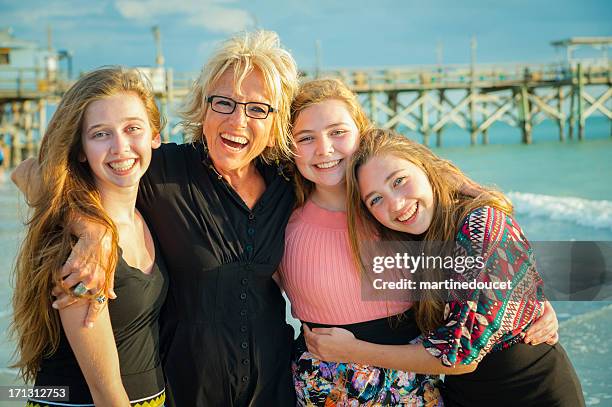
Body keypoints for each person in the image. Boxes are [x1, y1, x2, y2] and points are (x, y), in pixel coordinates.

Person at [13, 30, 299, 406]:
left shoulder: (289, 183)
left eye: (257, 108)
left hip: (274, 389)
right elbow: (33, 174)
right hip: (185, 392)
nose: (238, 120)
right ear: (204, 105)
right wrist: (91, 228)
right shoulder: (160, 171)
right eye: (223, 103)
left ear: (275, 119)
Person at [279, 79, 560, 406]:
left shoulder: (398, 213)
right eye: (306, 138)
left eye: (338, 132)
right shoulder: (282, 213)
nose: (324, 149)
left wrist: (526, 299)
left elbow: (481, 257)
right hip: (327, 388)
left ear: (363, 133)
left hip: (419, 385)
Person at [10, 67, 168, 406]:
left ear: (155, 135)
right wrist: (92, 229)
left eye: (132, 129)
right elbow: (106, 392)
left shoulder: (146, 213)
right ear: (80, 149)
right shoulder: (80, 254)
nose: (121, 147)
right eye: (100, 134)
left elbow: (26, 173)